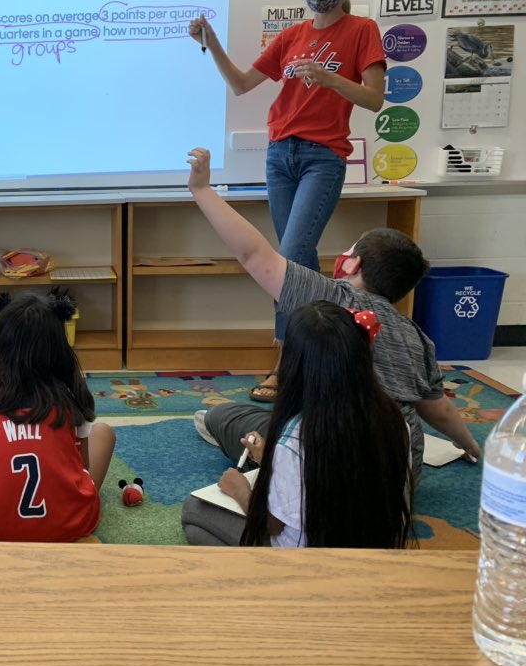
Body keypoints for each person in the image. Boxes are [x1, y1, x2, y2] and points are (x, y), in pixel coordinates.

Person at [184, 147, 481, 486]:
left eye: (350, 250)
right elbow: (437, 409)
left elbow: (252, 252)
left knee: (224, 415)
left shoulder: (328, 297)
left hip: (323, 466)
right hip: (398, 480)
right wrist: (468, 443)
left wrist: (202, 190)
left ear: (353, 264)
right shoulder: (416, 336)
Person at [189, 0, 386, 402]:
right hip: (280, 156)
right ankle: (321, 353)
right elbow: (241, 84)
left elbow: (374, 99)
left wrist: (329, 77)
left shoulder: (362, 30)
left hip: (323, 157)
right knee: (295, 261)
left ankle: (283, 365)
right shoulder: (293, 35)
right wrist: (210, 40)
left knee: (292, 254)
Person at [182, 301, 414, 548]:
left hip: (304, 559)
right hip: (371, 546)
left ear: (296, 366)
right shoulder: (393, 417)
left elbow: (273, 525)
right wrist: (270, 461)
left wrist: (240, 491)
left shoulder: (296, 436)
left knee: (194, 510)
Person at [0, 292, 116, 542]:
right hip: (69, 525)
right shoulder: (69, 390)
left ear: (1, 341)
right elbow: (82, 465)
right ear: (58, 344)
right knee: (104, 433)